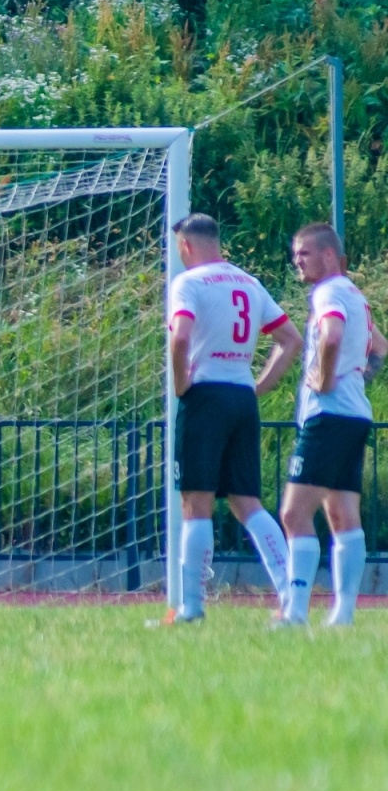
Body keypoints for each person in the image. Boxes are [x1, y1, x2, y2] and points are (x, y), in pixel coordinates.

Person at [167, 213, 303, 623]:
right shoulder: (248, 282)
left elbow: (181, 336)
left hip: (205, 395)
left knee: (196, 501)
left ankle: (192, 606)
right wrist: (259, 385)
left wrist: (179, 384)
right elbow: (290, 340)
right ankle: (291, 601)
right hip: (242, 398)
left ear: (186, 245)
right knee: (248, 503)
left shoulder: (188, 283)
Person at [278, 223, 386, 628]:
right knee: (342, 514)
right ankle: (342, 616)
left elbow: (332, 335)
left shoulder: (329, 292)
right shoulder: (354, 295)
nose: (297, 261)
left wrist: (324, 381)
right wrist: (357, 379)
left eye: (304, 253)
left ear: (328, 255)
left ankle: (296, 614)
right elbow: (381, 347)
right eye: (295, 254)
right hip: (353, 415)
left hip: (328, 417)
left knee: (293, 513)